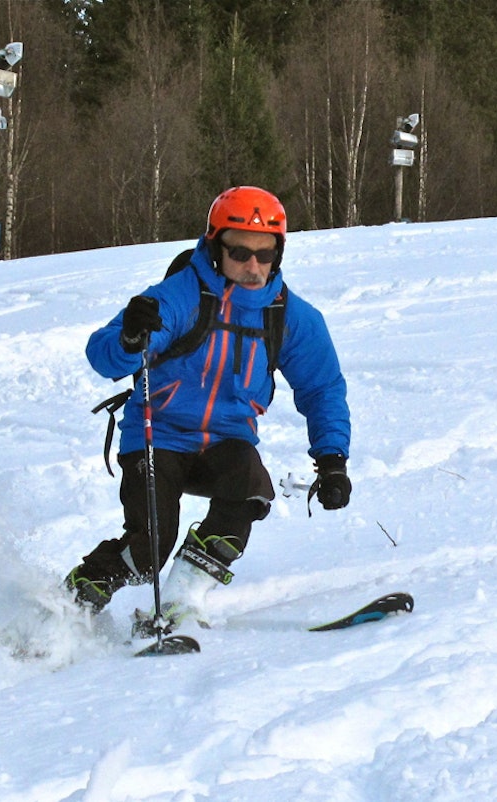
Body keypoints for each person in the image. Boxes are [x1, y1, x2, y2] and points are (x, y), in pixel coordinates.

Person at [65, 186, 351, 627]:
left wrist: (332, 460)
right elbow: (103, 355)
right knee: (148, 550)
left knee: (250, 489)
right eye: (240, 253)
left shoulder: (288, 315)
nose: (253, 266)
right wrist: (128, 339)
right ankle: (72, 602)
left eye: (266, 253)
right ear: (216, 247)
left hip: (225, 442)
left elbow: (322, 388)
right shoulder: (179, 296)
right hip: (157, 436)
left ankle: (180, 600)